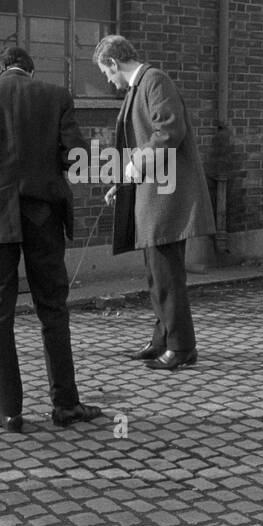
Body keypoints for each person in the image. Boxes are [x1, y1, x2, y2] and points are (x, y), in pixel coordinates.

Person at [0, 46, 102, 433]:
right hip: (43, 213)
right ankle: (65, 405)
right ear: (29, 71)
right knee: (53, 309)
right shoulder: (55, 95)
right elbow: (76, 156)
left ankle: (9, 411)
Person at [96, 35, 215, 371]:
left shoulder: (154, 81)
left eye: (107, 73)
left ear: (114, 63)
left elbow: (168, 132)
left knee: (167, 275)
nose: (109, 81)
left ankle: (182, 348)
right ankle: (162, 338)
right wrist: (124, 182)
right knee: (156, 273)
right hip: (154, 194)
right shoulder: (141, 86)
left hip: (167, 199)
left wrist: (134, 168)